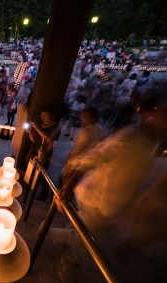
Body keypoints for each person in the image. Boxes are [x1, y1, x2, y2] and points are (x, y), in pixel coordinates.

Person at [49, 98, 167, 268]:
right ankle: (49, 233)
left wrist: (128, 200)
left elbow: (132, 176)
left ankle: (62, 242)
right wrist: (67, 187)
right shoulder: (132, 136)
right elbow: (94, 158)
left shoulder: (149, 142)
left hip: (106, 200)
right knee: (86, 238)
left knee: (81, 226)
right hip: (97, 197)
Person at [26, 108, 60, 200]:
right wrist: (30, 133)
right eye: (42, 115)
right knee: (33, 169)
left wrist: (37, 128)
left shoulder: (56, 127)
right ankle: (31, 186)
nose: (43, 117)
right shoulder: (40, 125)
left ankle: (43, 193)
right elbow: (33, 140)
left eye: (45, 115)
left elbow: (49, 139)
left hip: (45, 153)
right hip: (35, 150)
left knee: (42, 173)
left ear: (51, 116)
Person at [11, 87, 33, 158]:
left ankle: (13, 158)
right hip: (26, 131)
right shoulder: (30, 110)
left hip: (19, 129)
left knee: (16, 149)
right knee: (21, 148)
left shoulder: (21, 106)